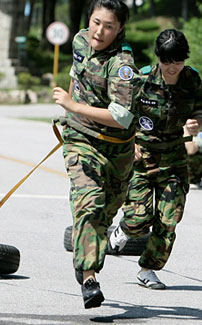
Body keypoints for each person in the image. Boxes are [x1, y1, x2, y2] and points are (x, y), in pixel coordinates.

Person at [53, 0, 139, 309]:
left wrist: (72, 106)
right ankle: (89, 278)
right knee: (89, 202)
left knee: (105, 213)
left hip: (117, 149)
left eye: (109, 26)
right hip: (81, 140)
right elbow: (77, 74)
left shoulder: (122, 65)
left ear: (120, 29)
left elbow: (122, 116)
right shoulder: (79, 39)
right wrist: (73, 113)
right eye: (96, 22)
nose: (99, 31)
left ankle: (84, 256)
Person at [109, 29, 202, 290]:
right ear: (158, 58)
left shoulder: (192, 80)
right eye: (167, 62)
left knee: (169, 219)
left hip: (174, 159)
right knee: (139, 220)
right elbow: (122, 116)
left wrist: (196, 126)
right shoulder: (141, 79)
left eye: (178, 62)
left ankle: (148, 269)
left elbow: (199, 112)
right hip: (142, 158)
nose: (173, 68)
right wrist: (131, 142)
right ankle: (123, 230)